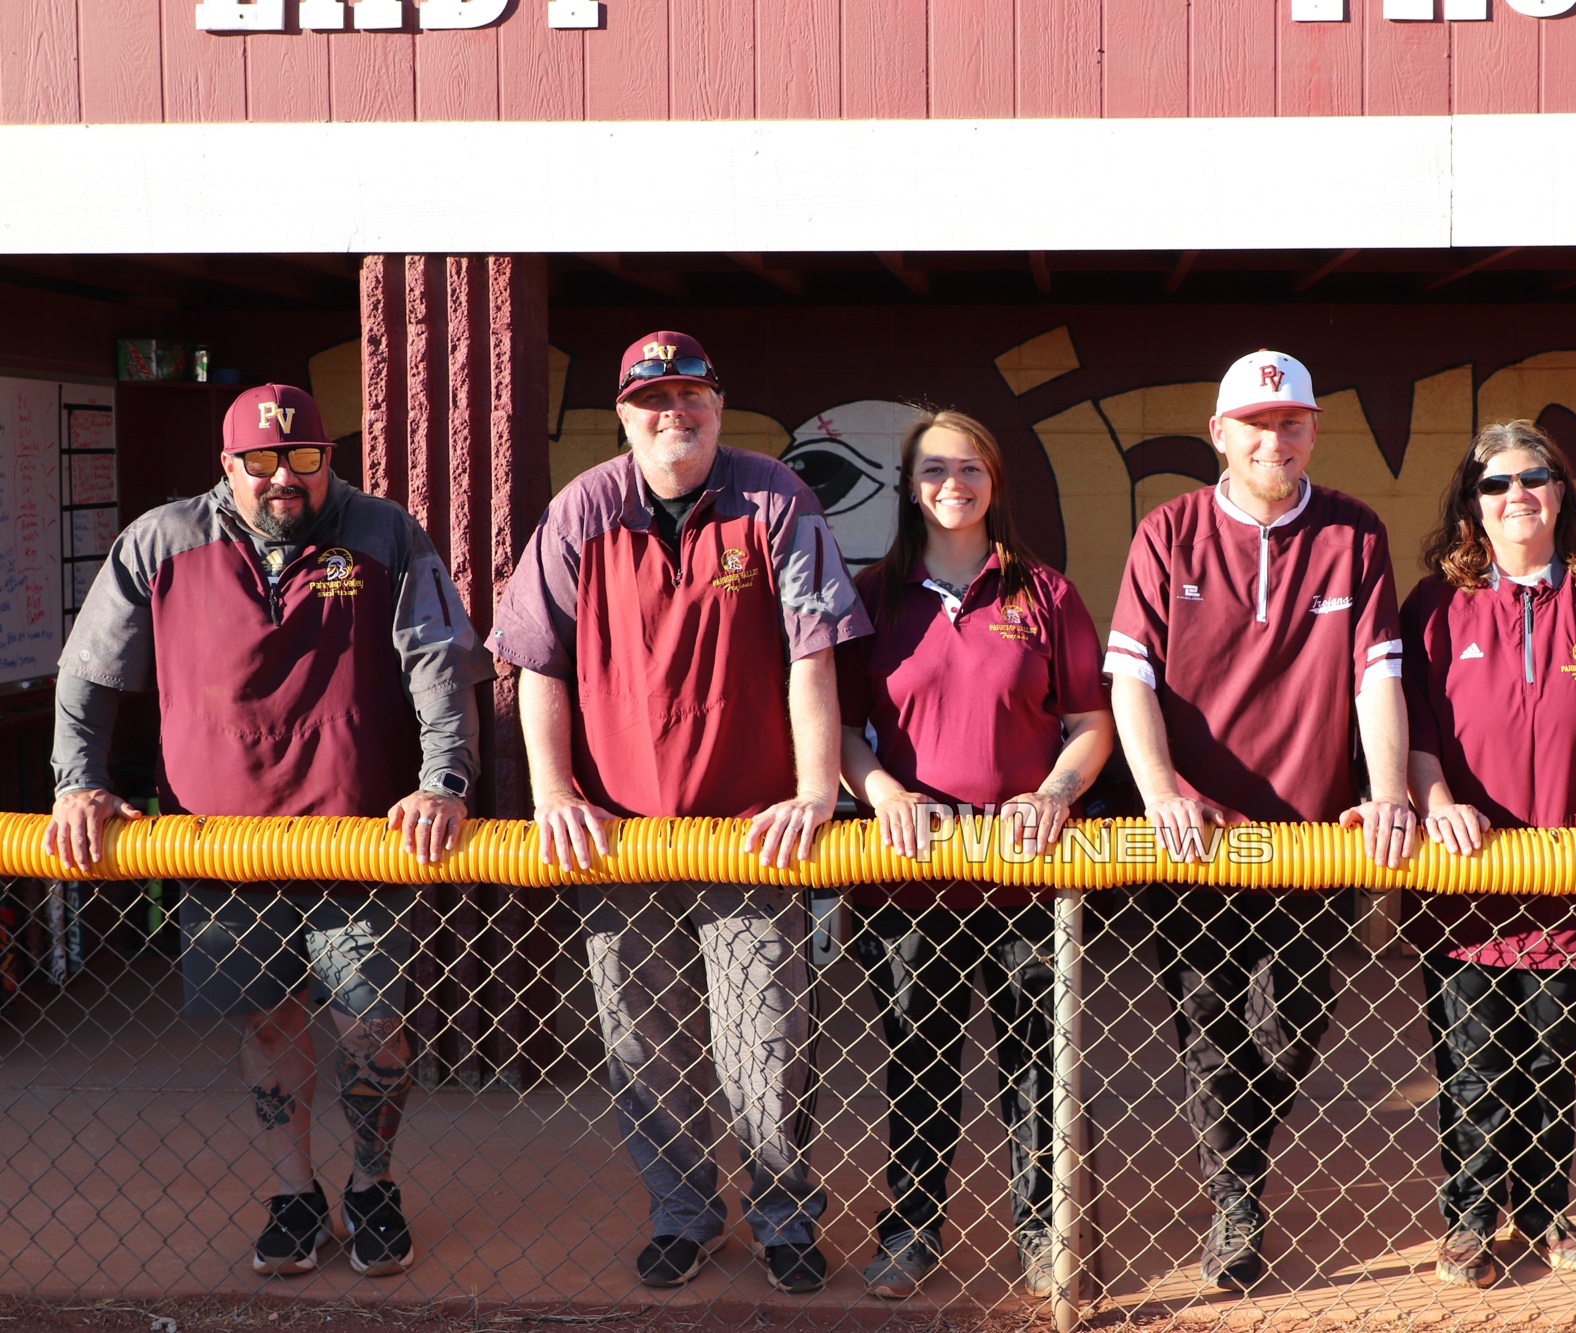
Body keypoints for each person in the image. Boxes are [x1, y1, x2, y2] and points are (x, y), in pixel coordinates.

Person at [45, 384, 489, 1278]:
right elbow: (86, 671)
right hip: (225, 847)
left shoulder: (383, 533)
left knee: (374, 1027)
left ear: (328, 459)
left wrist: (444, 781)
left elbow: (442, 665)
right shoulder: (162, 541)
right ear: (227, 465)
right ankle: (295, 1196)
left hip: (358, 841)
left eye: (303, 458)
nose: (283, 477)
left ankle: (372, 1185)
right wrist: (77, 783)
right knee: (270, 1025)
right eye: (260, 461)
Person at [487, 331, 868, 1294]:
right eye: (652, 400)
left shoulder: (774, 497)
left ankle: (782, 1217)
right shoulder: (583, 510)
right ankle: (684, 1213)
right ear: (624, 415)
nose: (674, 413)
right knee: (642, 1043)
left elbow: (813, 652)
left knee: (764, 1043)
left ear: (717, 404)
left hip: (748, 830)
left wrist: (815, 789)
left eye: (690, 394)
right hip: (620, 835)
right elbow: (537, 663)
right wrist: (553, 791)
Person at [1104, 349, 1416, 1292]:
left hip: (1309, 838)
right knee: (1208, 1023)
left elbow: (1377, 675)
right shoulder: (1168, 531)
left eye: (1289, 423)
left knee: (1289, 1027)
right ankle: (1238, 1200)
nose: (1272, 439)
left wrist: (1389, 788)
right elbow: (1130, 678)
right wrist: (1160, 789)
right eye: (1253, 424)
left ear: (1313, 431)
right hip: (1196, 838)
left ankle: (1235, 1160)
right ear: (1219, 436)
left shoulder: (1354, 532)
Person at [835, 409, 1113, 1300]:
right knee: (918, 1065)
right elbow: (841, 730)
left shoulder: (1045, 594)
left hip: (1024, 877)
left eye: (969, 467)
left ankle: (1043, 1232)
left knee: (1035, 1067)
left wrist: (1054, 793)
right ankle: (910, 1229)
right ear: (908, 486)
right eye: (933, 468)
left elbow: (1090, 721)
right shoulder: (872, 595)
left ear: (994, 480)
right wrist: (883, 793)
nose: (952, 483)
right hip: (910, 883)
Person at [1400, 421, 1576, 1289]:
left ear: (1561, 490)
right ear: (1471, 505)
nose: (1516, 493)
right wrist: (1438, 803)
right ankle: (1472, 1214)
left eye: (1534, 477)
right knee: (1472, 1060)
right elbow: (1415, 725)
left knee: (1550, 1059)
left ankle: (1547, 1206)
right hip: (1466, 881)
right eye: (1495, 482)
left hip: (1567, 880)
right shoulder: (1434, 605)